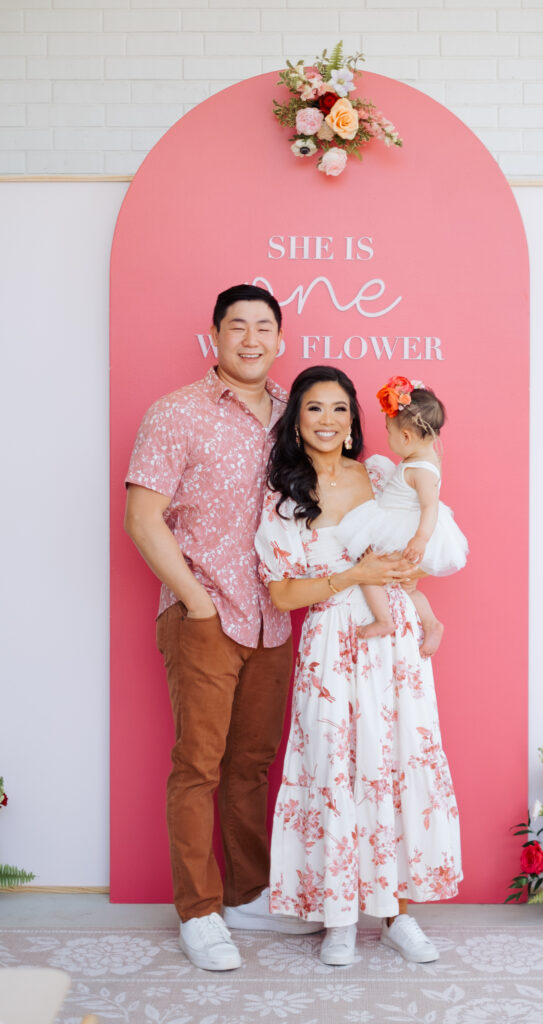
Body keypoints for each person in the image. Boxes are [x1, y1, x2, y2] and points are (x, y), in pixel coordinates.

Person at [124, 284, 320, 973]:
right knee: (197, 768)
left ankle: (246, 895)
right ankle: (199, 911)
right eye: (237, 327)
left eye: (263, 327)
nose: (250, 339)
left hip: (272, 618)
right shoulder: (175, 414)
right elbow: (143, 520)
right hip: (204, 612)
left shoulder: (291, 417)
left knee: (250, 768)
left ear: (279, 339)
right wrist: (196, 602)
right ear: (214, 335)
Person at [255, 365, 463, 967]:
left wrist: (408, 587)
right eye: (314, 408)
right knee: (334, 767)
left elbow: (414, 545)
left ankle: (396, 915)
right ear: (296, 420)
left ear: (354, 421)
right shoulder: (283, 501)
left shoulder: (381, 475)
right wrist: (352, 577)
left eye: (340, 409)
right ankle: (338, 919)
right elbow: (284, 595)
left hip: (391, 642)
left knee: (394, 763)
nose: (328, 420)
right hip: (328, 644)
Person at [337, 375, 468, 657]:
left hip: (404, 529)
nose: (387, 437)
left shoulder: (420, 469)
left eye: (389, 431)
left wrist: (420, 539)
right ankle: (432, 624)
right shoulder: (425, 456)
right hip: (401, 523)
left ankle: (385, 620)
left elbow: (430, 506)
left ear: (406, 437)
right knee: (407, 585)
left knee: (369, 570)